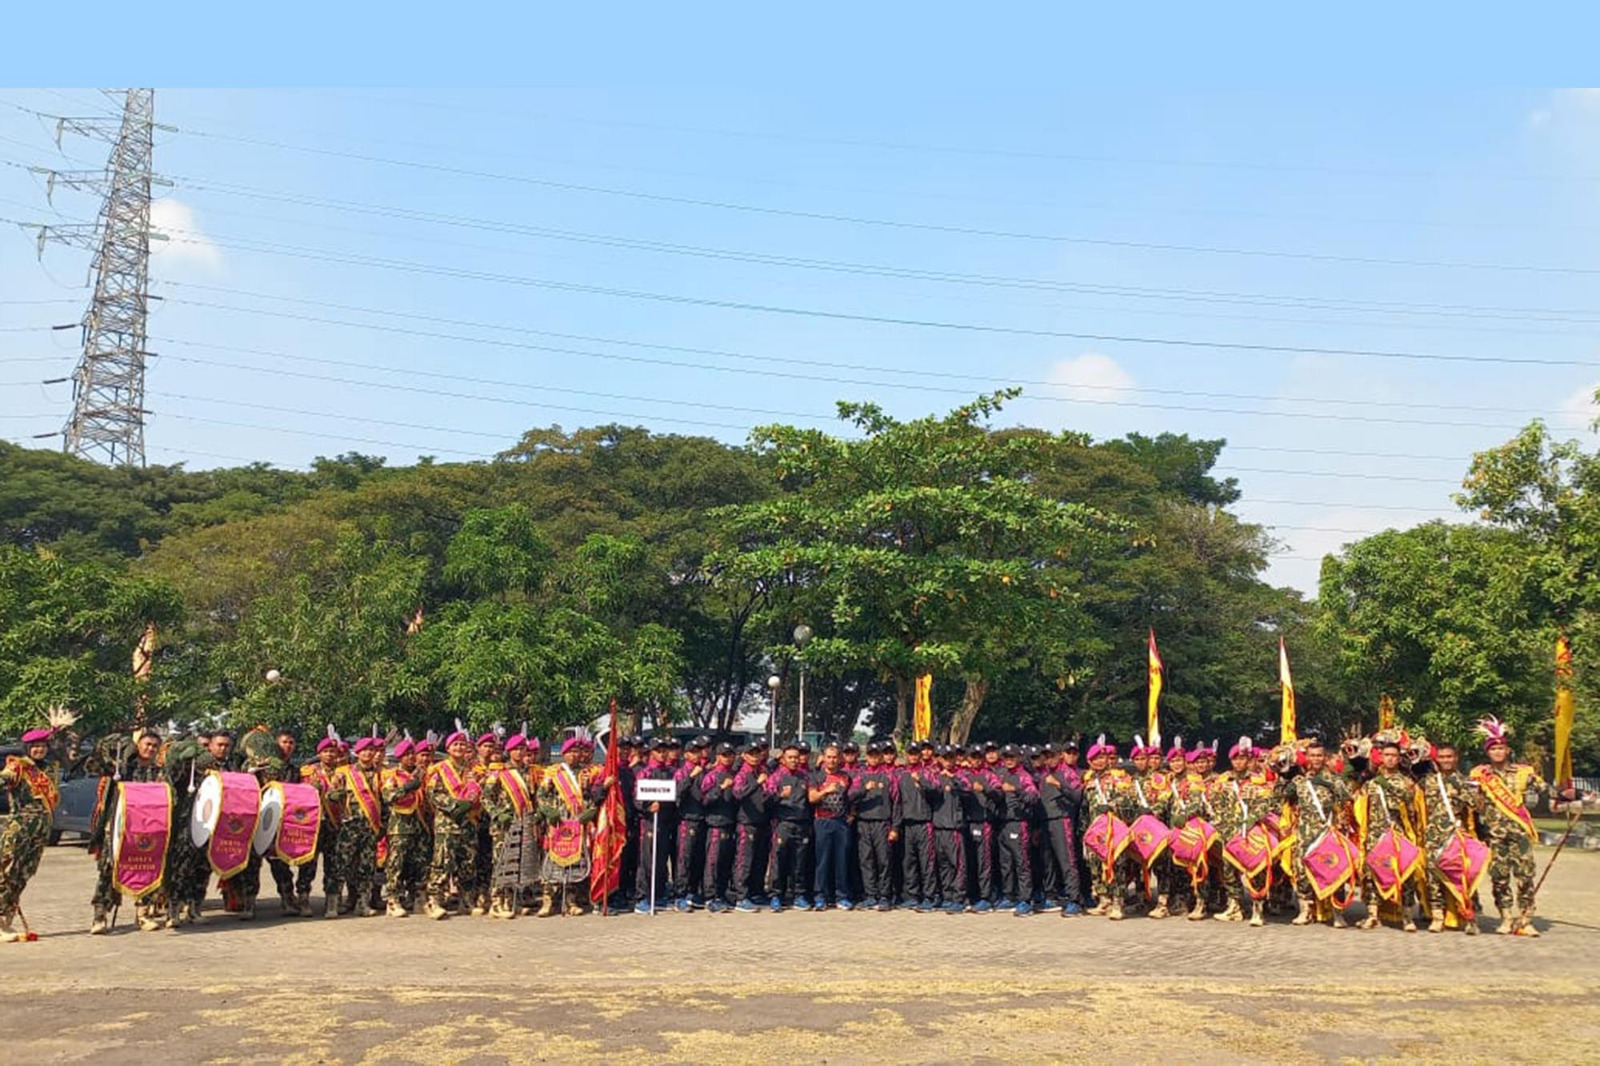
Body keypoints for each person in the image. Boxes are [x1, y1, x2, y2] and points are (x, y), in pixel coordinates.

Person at [1470, 716, 1570, 935]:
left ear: (1507, 750)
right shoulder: (1479, 775)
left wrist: (1567, 795)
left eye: (1501, 748)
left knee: (1525, 877)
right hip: (1494, 835)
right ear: (1488, 752)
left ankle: (1525, 919)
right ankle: (1506, 918)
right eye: (1493, 749)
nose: (1497, 752)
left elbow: (1547, 791)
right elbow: (1471, 801)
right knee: (1499, 878)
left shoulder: (1524, 772)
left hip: (1519, 833)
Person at [1, 711, 73, 941]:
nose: (39, 750)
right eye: (34, 746)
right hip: (20, 828)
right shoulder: (18, 767)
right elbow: (4, 778)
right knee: (6, 872)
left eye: (42, 746)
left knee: (23, 875)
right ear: (27, 748)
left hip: (41, 830)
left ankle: (7, 919)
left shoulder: (49, 769)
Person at [88, 728, 166, 933]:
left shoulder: (160, 773)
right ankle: (100, 916)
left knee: (148, 868)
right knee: (108, 870)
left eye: (154, 746)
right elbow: (94, 766)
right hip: (118, 826)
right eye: (147, 744)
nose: (150, 749)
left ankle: (143, 914)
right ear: (138, 745)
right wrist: (108, 744)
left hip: (148, 830)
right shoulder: (122, 768)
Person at [1274, 736, 1356, 928]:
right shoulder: (1300, 781)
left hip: (1327, 833)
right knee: (1302, 872)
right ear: (1307, 758)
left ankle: (1337, 913)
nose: (1316, 759)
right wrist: (1283, 773)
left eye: (1319, 755)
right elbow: (1280, 795)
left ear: (1325, 758)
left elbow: (1347, 798)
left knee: (1334, 870)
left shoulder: (1333, 779)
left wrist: (1327, 784)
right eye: (1312, 755)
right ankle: (1305, 910)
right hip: (1305, 834)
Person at [1357, 736, 1424, 932]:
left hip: (1398, 834)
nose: (1390, 759)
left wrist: (1388, 786)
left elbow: (1412, 805)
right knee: (1372, 873)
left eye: (1394, 755)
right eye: (1387, 755)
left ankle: (1407, 916)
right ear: (1381, 757)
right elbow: (1362, 809)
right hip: (1376, 834)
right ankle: (1372, 914)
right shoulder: (1370, 784)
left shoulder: (1407, 782)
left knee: (1405, 874)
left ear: (1399, 758)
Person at [1417, 742, 1483, 936]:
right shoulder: (1428, 781)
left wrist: (1461, 788)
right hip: (1434, 836)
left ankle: (1470, 917)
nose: (1445, 760)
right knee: (1433, 875)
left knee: (1463, 876)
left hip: (1456, 835)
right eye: (1442, 757)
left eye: (1449, 757)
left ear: (1456, 758)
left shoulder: (1467, 781)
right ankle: (1438, 916)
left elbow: (1478, 806)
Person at [535, 735, 601, 917]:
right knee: (552, 860)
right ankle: (548, 900)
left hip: (576, 823)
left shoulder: (586, 773)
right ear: (564, 754)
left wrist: (590, 811)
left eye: (577, 752)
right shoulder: (554, 773)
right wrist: (549, 811)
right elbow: (542, 795)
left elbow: (591, 796)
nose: (574, 755)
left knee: (573, 861)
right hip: (557, 823)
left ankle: (570, 901)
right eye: (570, 752)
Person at [424, 731, 482, 920]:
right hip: (447, 823)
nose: (459, 748)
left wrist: (470, 804)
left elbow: (478, 790)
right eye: (455, 745)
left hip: (468, 822)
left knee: (468, 862)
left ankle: (466, 901)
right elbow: (433, 793)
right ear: (448, 748)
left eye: (462, 744)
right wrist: (454, 805)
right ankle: (434, 901)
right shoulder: (439, 769)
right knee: (442, 862)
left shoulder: (473, 770)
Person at [326, 736, 386, 918]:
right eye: (364, 750)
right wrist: (335, 795)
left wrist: (382, 825)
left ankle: (363, 903)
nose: (368, 753)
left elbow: (384, 801)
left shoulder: (381, 774)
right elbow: (329, 795)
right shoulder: (344, 773)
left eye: (371, 750)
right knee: (340, 865)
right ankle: (333, 904)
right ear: (357, 753)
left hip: (370, 827)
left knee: (367, 867)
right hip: (350, 826)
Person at [483, 734, 542, 919]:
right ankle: (496, 902)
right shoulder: (499, 772)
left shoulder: (530, 773)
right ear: (509, 752)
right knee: (501, 862)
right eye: (515, 749)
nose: (519, 752)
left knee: (517, 863)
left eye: (522, 749)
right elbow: (485, 797)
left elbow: (534, 796)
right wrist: (497, 813)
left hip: (523, 823)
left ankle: (510, 901)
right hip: (503, 825)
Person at [848, 740, 898, 911]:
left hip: (882, 823)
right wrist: (865, 789)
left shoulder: (888, 776)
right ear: (867, 757)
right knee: (866, 860)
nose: (874, 758)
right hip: (864, 823)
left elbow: (897, 803)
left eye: (877, 755)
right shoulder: (860, 776)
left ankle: (885, 896)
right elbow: (850, 796)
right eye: (871, 755)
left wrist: (895, 827)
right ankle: (870, 895)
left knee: (884, 860)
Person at [1038, 740, 1085, 917]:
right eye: (1046, 756)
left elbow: (1077, 796)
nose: (1049, 759)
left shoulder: (1067, 773)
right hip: (1045, 821)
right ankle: (1052, 896)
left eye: (1052, 756)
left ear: (1059, 756)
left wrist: (1059, 785)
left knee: (1067, 861)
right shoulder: (1044, 774)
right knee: (1048, 862)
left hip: (1062, 819)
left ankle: (1075, 899)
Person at [381, 738, 428, 917]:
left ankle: (417, 898)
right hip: (399, 826)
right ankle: (393, 900)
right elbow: (388, 796)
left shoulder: (421, 774)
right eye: (406, 755)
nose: (410, 758)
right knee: (396, 863)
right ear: (400, 757)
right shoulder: (392, 775)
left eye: (412, 754)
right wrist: (406, 788)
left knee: (419, 863)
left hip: (419, 825)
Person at [765, 742, 813, 911]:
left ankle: (798, 895)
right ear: (783, 759)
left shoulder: (805, 777)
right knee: (779, 860)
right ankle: (775, 895)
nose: (794, 760)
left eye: (796, 757)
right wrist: (780, 795)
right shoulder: (776, 777)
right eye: (790, 757)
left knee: (799, 862)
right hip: (782, 823)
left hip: (801, 823)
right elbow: (766, 800)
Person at [632, 738, 678, 914]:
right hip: (649, 822)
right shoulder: (645, 772)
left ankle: (658, 894)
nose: (663, 754)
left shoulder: (670, 772)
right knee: (647, 860)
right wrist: (648, 807)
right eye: (659, 751)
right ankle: (642, 897)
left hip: (665, 821)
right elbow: (637, 797)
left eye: (664, 750)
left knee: (661, 859)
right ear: (651, 752)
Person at [993, 744, 1039, 915]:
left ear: (1018, 758)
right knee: (1006, 863)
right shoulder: (1001, 774)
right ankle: (1009, 895)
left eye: (1012, 757)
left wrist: (1016, 790)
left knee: (1022, 862)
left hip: (1018, 823)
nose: (1009, 760)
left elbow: (1033, 796)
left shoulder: (1023, 776)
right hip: (1002, 823)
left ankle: (1025, 899)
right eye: (1006, 757)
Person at [810, 742, 854, 910]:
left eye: (835, 757)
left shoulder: (845, 777)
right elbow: (811, 798)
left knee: (841, 860)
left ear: (840, 758)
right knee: (822, 860)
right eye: (829, 757)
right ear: (823, 758)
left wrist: (852, 814)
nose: (832, 760)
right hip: (823, 821)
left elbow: (850, 798)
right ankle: (820, 896)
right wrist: (826, 791)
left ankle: (842, 896)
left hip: (841, 822)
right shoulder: (816, 776)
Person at [698, 742, 739, 913]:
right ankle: (710, 896)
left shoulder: (735, 774)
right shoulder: (712, 776)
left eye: (730, 755)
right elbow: (704, 799)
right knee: (713, 863)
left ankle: (722, 894)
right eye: (724, 755)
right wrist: (720, 788)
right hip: (715, 824)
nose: (727, 758)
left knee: (726, 863)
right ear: (718, 756)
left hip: (731, 824)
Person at [731, 743, 771, 910]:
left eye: (757, 753)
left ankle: (755, 892)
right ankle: (741, 896)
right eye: (751, 754)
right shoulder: (743, 774)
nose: (755, 757)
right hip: (746, 822)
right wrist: (756, 783)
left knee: (759, 860)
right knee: (744, 860)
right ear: (745, 756)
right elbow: (738, 793)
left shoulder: (762, 771)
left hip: (762, 821)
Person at [673, 736, 710, 911]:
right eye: (693, 752)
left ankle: (692, 892)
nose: (697, 755)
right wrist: (690, 777)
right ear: (686, 754)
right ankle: (679, 895)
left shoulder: (704, 770)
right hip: (686, 820)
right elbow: (676, 792)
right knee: (684, 859)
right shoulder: (682, 771)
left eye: (699, 751)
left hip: (702, 819)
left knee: (698, 859)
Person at [929, 745, 967, 913]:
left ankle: (959, 898)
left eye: (951, 758)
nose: (948, 761)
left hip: (954, 827)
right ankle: (947, 896)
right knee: (943, 864)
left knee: (957, 864)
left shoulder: (961, 775)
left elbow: (967, 790)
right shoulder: (935, 777)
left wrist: (953, 779)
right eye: (945, 758)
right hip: (939, 826)